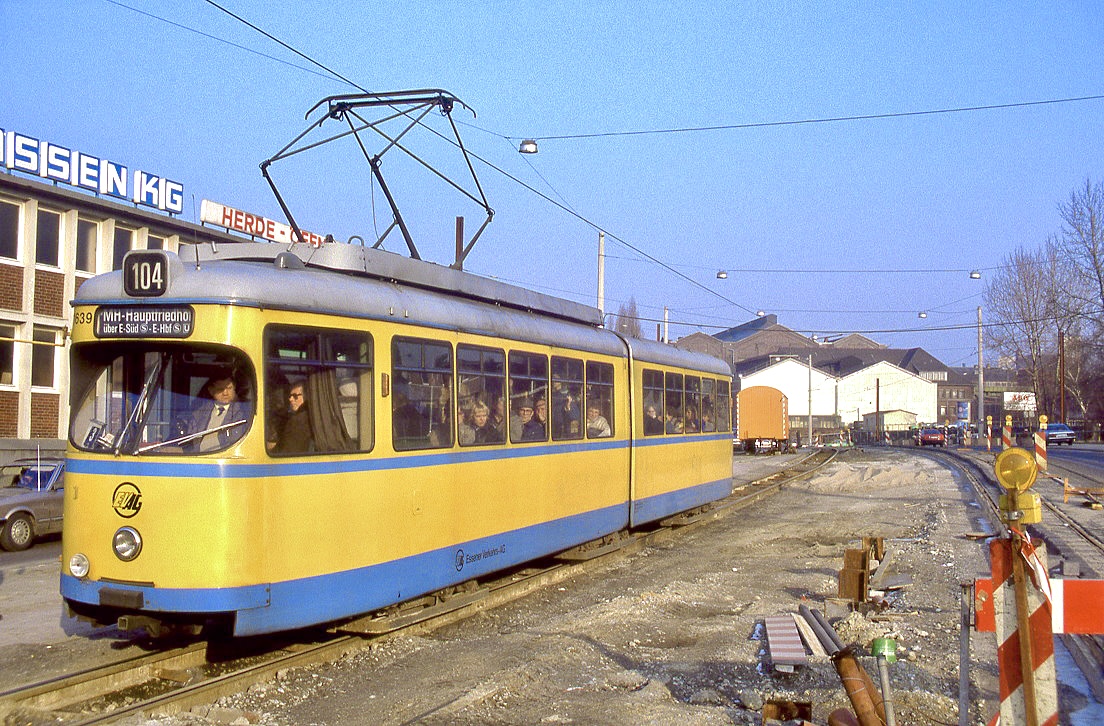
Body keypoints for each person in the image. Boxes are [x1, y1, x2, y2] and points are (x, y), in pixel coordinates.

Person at [185, 376, 249, 452]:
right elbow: (189, 439)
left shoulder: (244, 412)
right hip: (198, 458)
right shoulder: (199, 412)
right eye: (220, 389)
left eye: (229, 388)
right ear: (211, 391)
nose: (225, 393)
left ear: (234, 389)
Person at [268, 381, 313, 454]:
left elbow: (286, 452)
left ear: (306, 397)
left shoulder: (298, 421)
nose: (290, 399)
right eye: (290, 396)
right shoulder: (307, 416)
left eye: (295, 396)